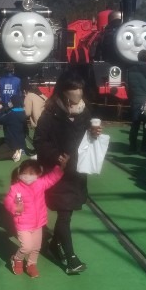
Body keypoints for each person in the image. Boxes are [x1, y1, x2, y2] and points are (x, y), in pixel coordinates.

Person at [33, 75, 100, 275]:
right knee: (64, 214)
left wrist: (95, 133)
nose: (79, 93)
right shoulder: (50, 113)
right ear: (63, 91)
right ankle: (71, 259)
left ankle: (54, 246)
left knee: (67, 212)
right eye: (74, 89)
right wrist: (56, 156)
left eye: (80, 88)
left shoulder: (84, 112)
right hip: (58, 171)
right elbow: (39, 141)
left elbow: (88, 138)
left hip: (78, 171)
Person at [3, 155, 69, 278]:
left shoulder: (40, 184)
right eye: (25, 173)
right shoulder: (16, 188)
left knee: (36, 247)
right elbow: (8, 201)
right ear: (19, 174)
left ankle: (31, 264)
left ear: (38, 174)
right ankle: (16, 259)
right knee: (27, 247)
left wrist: (61, 168)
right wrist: (14, 208)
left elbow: (51, 178)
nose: (28, 176)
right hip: (23, 223)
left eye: (32, 173)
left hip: (38, 223)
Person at [125, 49, 146, 152]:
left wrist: (131, 97)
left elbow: (127, 86)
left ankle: (132, 145)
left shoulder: (129, 70)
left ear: (138, 57)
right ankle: (144, 146)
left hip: (135, 99)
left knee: (135, 124)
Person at [0, 95, 27, 161]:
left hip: (11, 142)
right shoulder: (22, 112)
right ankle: (19, 149)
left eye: (10, 101)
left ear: (14, 102)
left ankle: (13, 153)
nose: (9, 102)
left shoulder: (12, 114)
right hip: (20, 140)